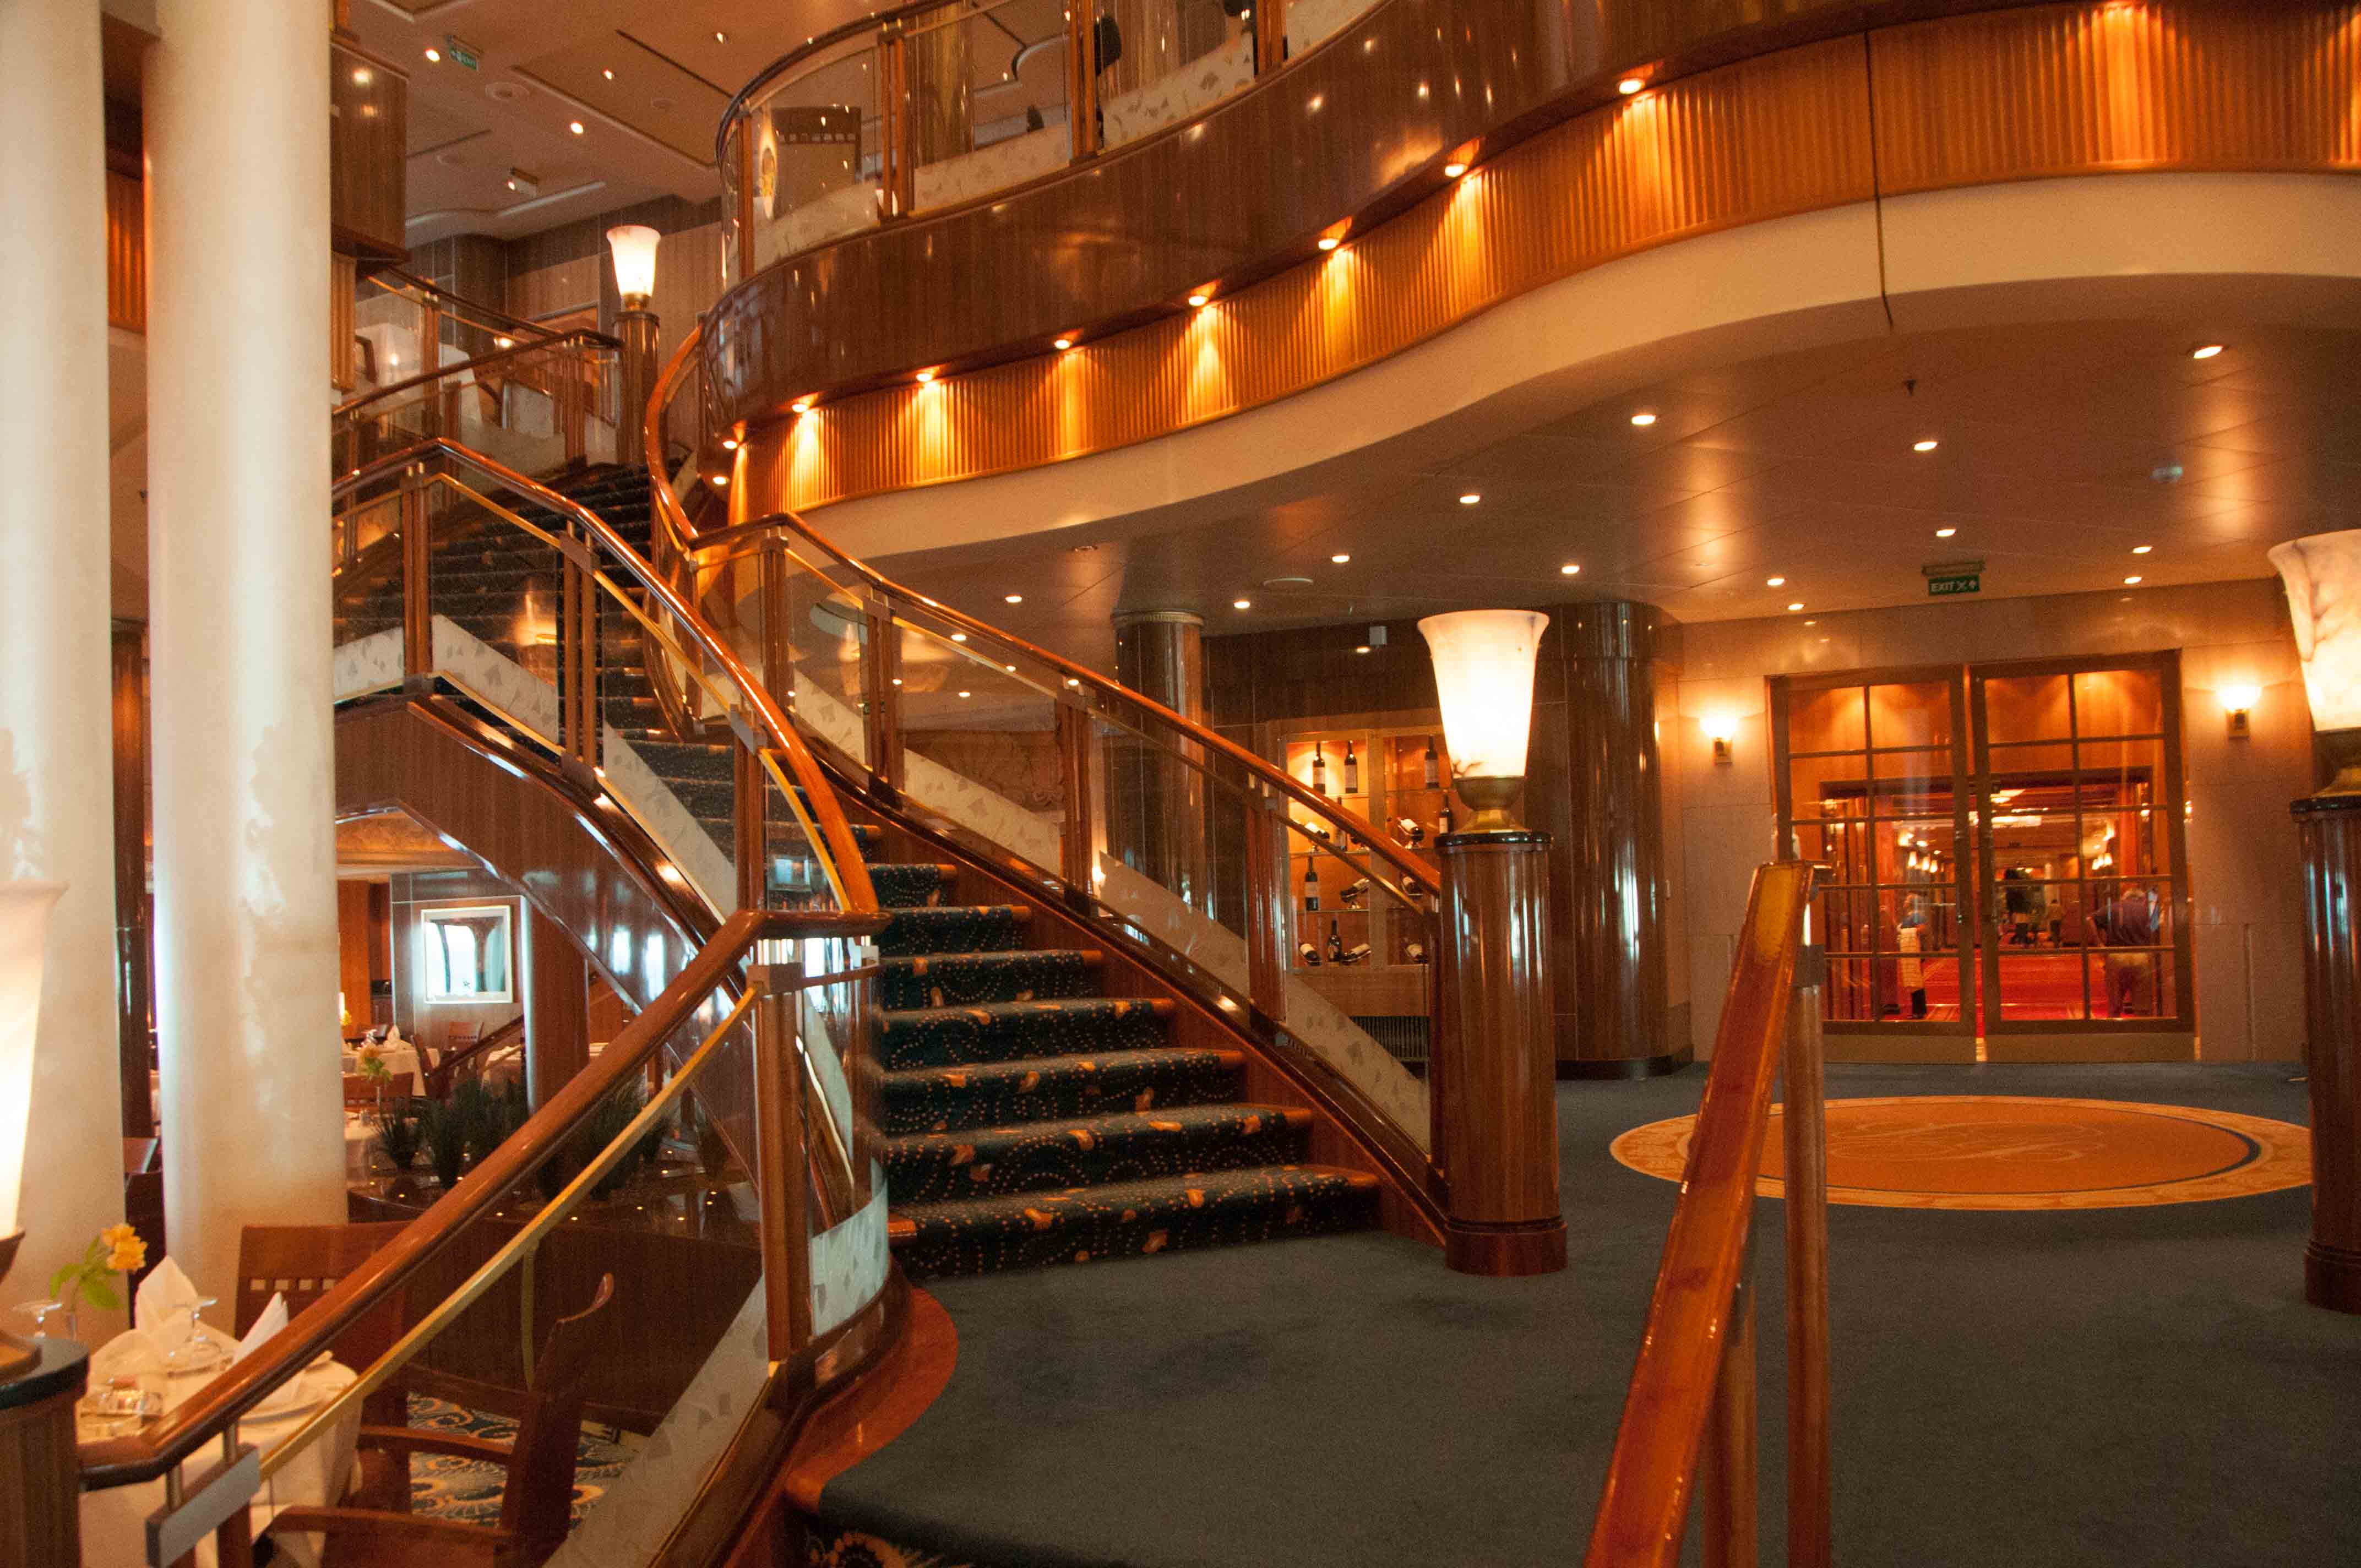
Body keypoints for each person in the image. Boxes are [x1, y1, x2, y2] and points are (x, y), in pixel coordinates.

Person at [2085, 885, 2162, 1018]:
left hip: (2116, 956)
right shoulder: (2149, 909)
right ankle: (2143, 1030)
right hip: (2142, 957)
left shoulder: (2114, 907)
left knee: (2114, 1006)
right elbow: (2156, 931)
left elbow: (2089, 919)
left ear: (2125, 897)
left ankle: (2114, 1029)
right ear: (2142, 898)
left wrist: (2099, 944)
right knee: (2143, 1008)